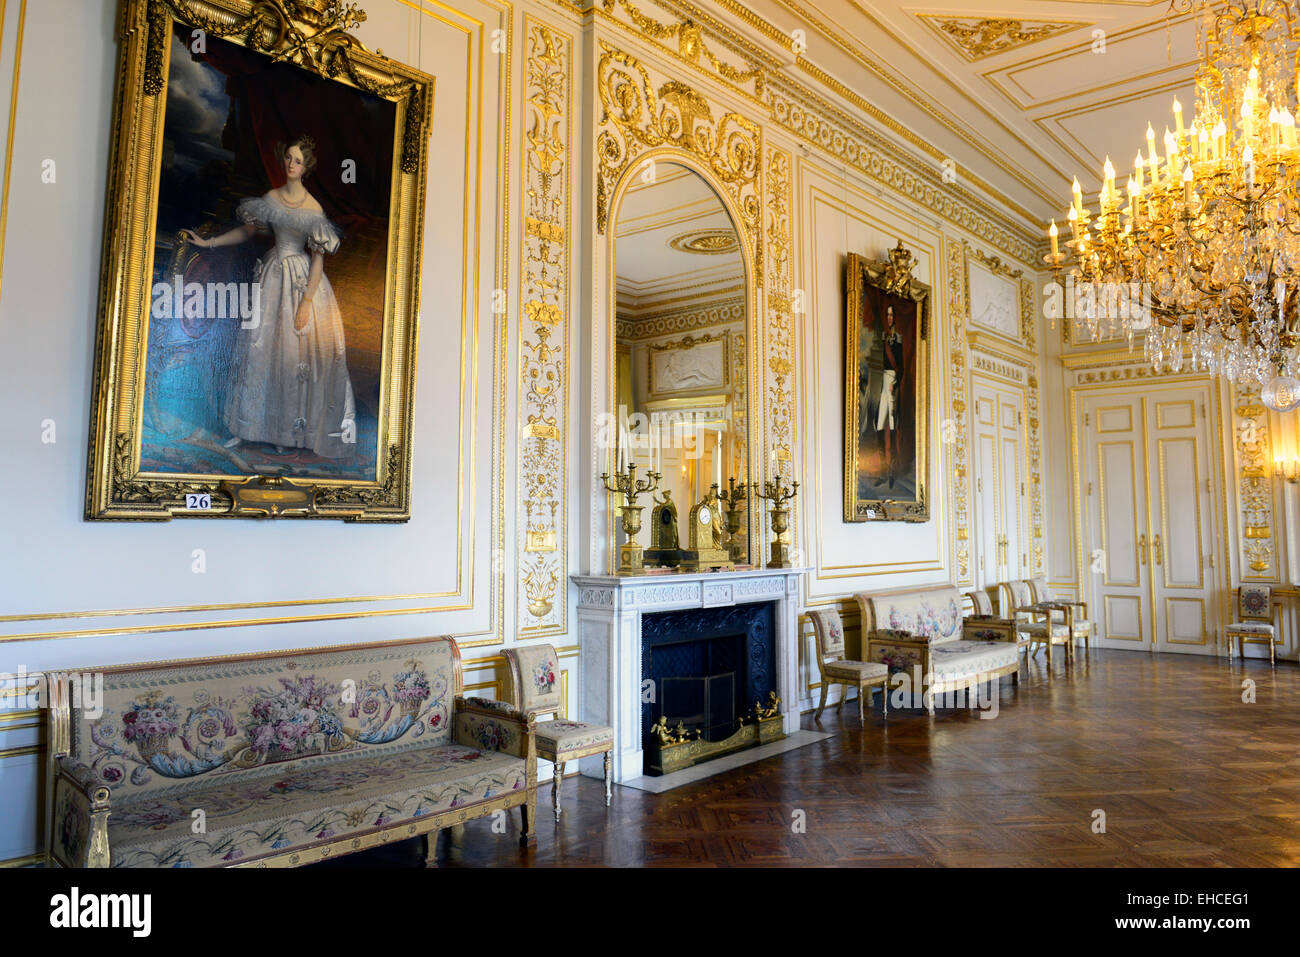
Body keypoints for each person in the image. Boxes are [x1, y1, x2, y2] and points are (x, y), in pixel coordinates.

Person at [179, 135, 356, 460]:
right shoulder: (272, 198)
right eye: (288, 158)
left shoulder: (313, 207)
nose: (291, 165)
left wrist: (305, 303)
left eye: (297, 161)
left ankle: (284, 434)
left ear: (306, 167)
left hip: (301, 283)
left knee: (290, 356)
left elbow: (317, 259)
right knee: (261, 352)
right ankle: (248, 429)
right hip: (271, 277)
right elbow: (247, 232)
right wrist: (209, 244)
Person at [876, 304, 904, 488]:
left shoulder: (898, 338)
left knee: (892, 427)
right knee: (879, 424)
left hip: (892, 381)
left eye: (891, 315)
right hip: (882, 381)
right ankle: (883, 470)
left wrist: (895, 384)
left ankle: (892, 471)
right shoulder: (883, 337)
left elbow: (900, 365)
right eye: (887, 315)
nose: (889, 318)